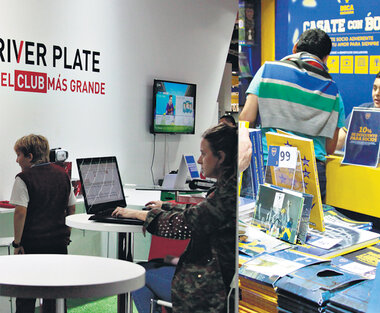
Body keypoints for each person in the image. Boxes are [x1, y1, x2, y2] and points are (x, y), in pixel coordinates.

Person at [112, 123, 237, 312]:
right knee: (152, 266)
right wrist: (167, 206)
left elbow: (184, 224)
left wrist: (138, 214)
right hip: (214, 278)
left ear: (221, 157)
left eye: (204, 153)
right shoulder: (230, 188)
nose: (199, 160)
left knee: (137, 274)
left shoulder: (227, 194)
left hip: (207, 289)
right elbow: (200, 213)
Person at [239, 28, 345, 200]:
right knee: (307, 225)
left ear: (295, 48)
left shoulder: (268, 71)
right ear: (326, 58)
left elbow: (246, 118)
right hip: (309, 169)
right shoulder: (332, 90)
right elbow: (329, 148)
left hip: (267, 162)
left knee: (255, 223)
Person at [9, 134, 76, 313]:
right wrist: (66, 233)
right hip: (58, 244)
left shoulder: (23, 178)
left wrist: (17, 243)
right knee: (56, 294)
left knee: (25, 294)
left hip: (32, 245)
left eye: (19, 155)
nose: (17, 160)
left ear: (29, 156)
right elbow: (71, 208)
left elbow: (20, 212)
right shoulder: (63, 175)